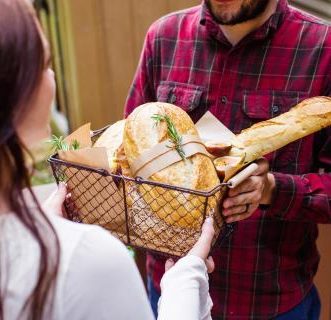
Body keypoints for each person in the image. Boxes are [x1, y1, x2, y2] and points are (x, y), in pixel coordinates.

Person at [0, 0, 216, 319]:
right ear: (15, 96)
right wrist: (184, 284)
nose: (51, 77)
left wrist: (48, 224)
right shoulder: (87, 259)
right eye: (46, 64)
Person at [125, 0, 331, 318]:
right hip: (172, 293)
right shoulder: (164, 37)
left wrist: (272, 190)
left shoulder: (323, 48)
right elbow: (128, 156)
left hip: (270, 303)